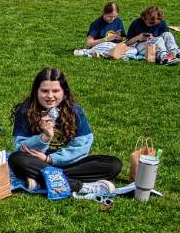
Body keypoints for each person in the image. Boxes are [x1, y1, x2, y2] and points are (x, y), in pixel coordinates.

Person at [9, 68, 122, 196]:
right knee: (16, 159)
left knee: (113, 164)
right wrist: (44, 137)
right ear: (36, 92)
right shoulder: (25, 111)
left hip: (68, 164)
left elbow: (82, 147)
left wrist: (50, 159)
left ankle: (41, 180)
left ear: (64, 92)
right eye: (44, 91)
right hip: (36, 163)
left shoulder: (75, 111)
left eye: (55, 91)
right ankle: (79, 186)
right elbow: (20, 147)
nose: (50, 96)